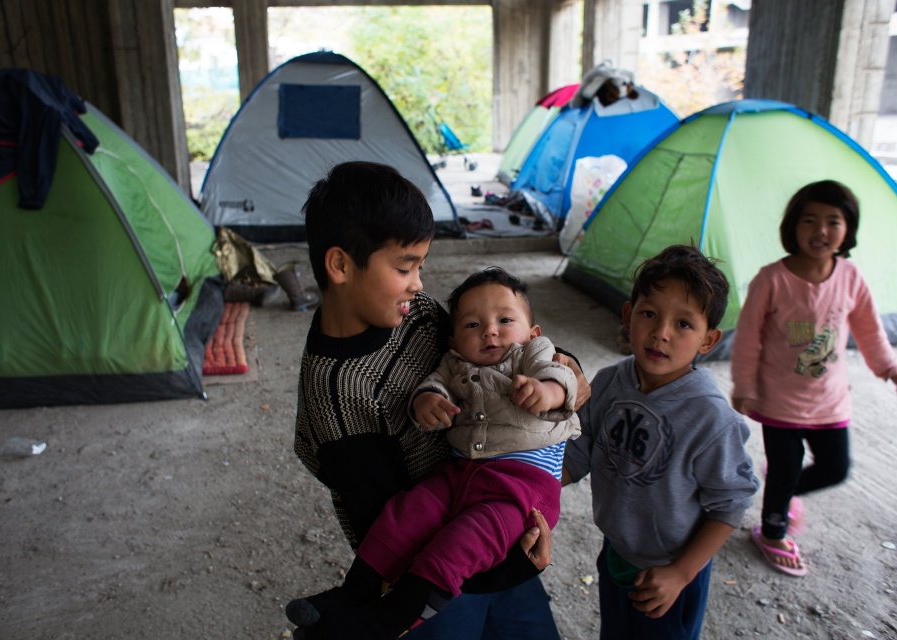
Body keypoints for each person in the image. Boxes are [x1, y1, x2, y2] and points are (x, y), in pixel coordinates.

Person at [289, 161, 588, 640]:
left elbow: (495, 348)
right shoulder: (337, 400)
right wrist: (511, 567)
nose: (419, 283)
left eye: (421, 266)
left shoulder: (417, 314)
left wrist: (562, 367)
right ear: (341, 265)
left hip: (501, 504)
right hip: (438, 572)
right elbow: (392, 530)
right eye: (405, 267)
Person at [563, 244, 759, 640]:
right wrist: (523, 496)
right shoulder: (608, 383)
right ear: (627, 315)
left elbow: (731, 502)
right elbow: (575, 455)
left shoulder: (710, 417)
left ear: (709, 340)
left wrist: (682, 573)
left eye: (684, 324)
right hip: (617, 551)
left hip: (672, 570)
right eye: (649, 313)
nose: (661, 333)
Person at [730, 180, 897, 577]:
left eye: (833, 221)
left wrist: (891, 369)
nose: (820, 231)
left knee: (835, 467)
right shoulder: (772, 280)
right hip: (778, 400)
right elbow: (747, 339)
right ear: (793, 227)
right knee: (784, 468)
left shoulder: (851, 277)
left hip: (831, 400)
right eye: (809, 220)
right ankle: (773, 531)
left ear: (848, 229)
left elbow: (869, 329)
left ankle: (785, 489)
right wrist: (744, 386)